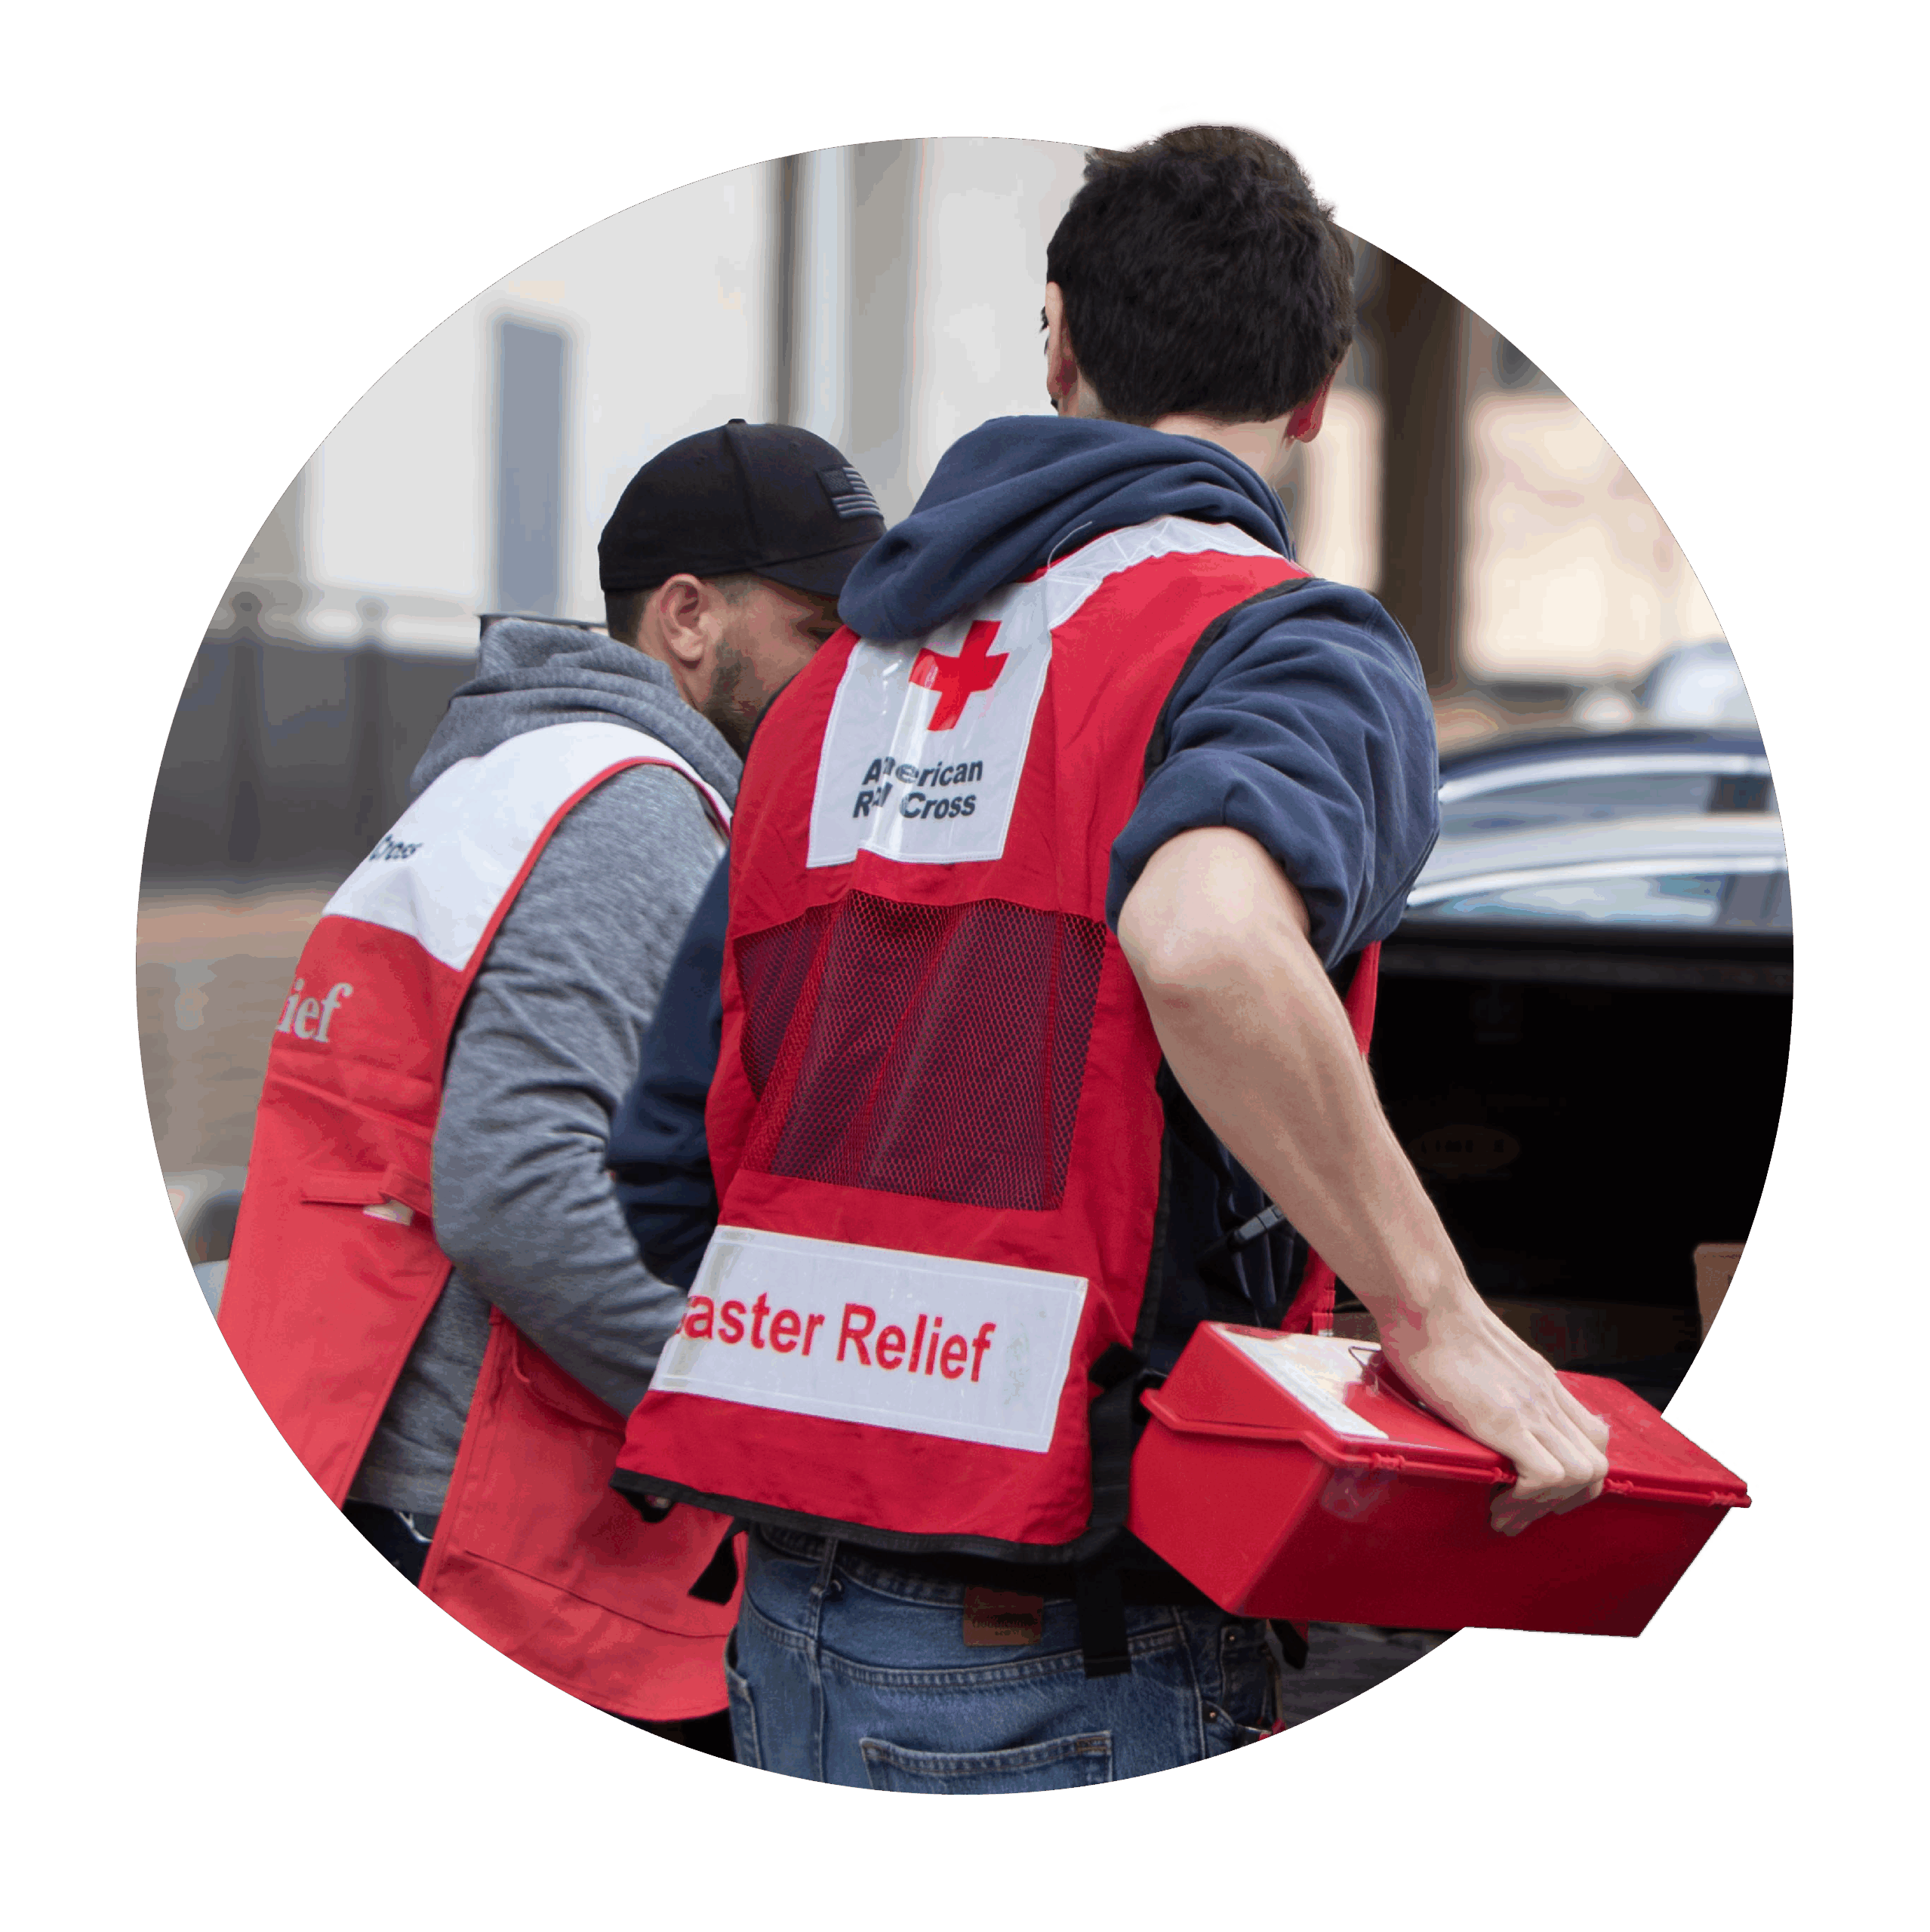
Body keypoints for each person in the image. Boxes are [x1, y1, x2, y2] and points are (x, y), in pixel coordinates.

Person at [608, 122, 1611, 1790]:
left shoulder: (826, 695)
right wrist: (1434, 1311)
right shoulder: (1282, 643)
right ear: (1313, 391)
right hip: (1074, 1632)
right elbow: (1208, 936)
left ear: (1059, 336)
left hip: (783, 1613)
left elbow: (664, 1168)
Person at [217, 420, 885, 1749]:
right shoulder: (634, 808)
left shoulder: (496, 776)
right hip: (492, 1538)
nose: (851, 677)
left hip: (367, 1459)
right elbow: (517, 1190)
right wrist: (754, 1422)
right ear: (688, 618)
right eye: (821, 633)